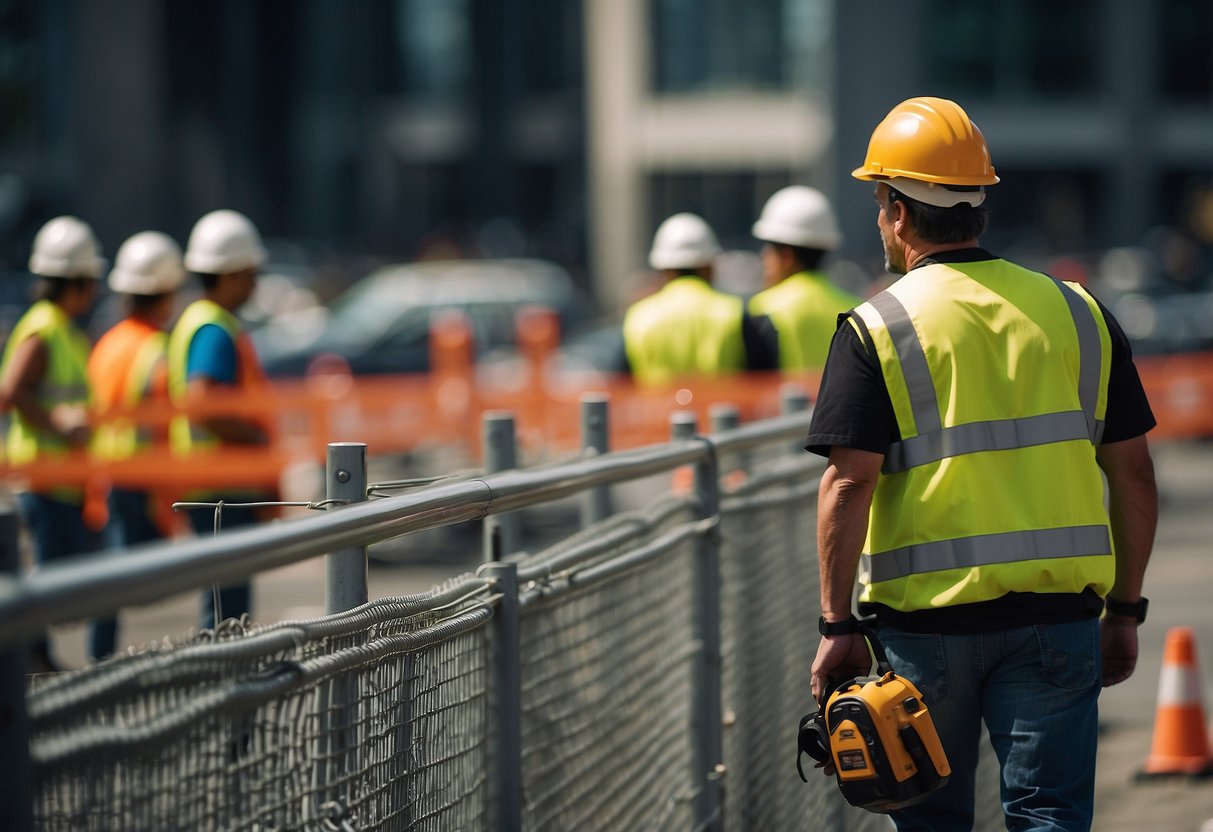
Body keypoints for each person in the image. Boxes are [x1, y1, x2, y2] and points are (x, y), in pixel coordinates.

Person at [805, 97, 1158, 831]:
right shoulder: (1078, 312)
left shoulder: (879, 326)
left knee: (931, 821)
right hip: (1057, 624)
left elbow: (849, 481)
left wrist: (836, 623)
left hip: (921, 632)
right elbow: (1131, 473)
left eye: (879, 202)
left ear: (897, 213)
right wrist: (1123, 608)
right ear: (978, 206)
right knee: (1048, 817)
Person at [0, 216, 103, 671]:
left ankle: (36, 659)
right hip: (41, 476)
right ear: (77, 281)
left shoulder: (61, 328)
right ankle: (32, 661)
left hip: (56, 478)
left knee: (49, 579)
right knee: (40, 580)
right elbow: (11, 392)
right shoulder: (45, 328)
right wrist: (60, 429)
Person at [166, 209, 272, 630]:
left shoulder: (199, 320)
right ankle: (224, 688)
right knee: (227, 614)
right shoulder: (213, 328)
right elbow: (202, 403)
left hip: (210, 483)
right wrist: (257, 438)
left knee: (223, 606)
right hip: (220, 488)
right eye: (249, 273)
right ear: (228, 274)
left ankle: (225, 685)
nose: (254, 283)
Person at [87, 230, 186, 658]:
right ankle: (103, 661)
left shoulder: (107, 343)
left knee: (109, 571)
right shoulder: (158, 348)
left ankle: (100, 656)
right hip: (139, 473)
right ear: (166, 294)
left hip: (103, 468)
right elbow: (164, 420)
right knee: (121, 572)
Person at [621, 212, 778, 383]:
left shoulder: (638, 318)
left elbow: (619, 384)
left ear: (663, 270)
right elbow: (762, 379)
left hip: (656, 411)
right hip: (726, 409)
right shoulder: (733, 313)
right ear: (709, 266)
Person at [748, 185, 861, 372]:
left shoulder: (762, 307)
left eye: (769, 250)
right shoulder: (856, 308)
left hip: (780, 402)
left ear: (786, 256)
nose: (764, 259)